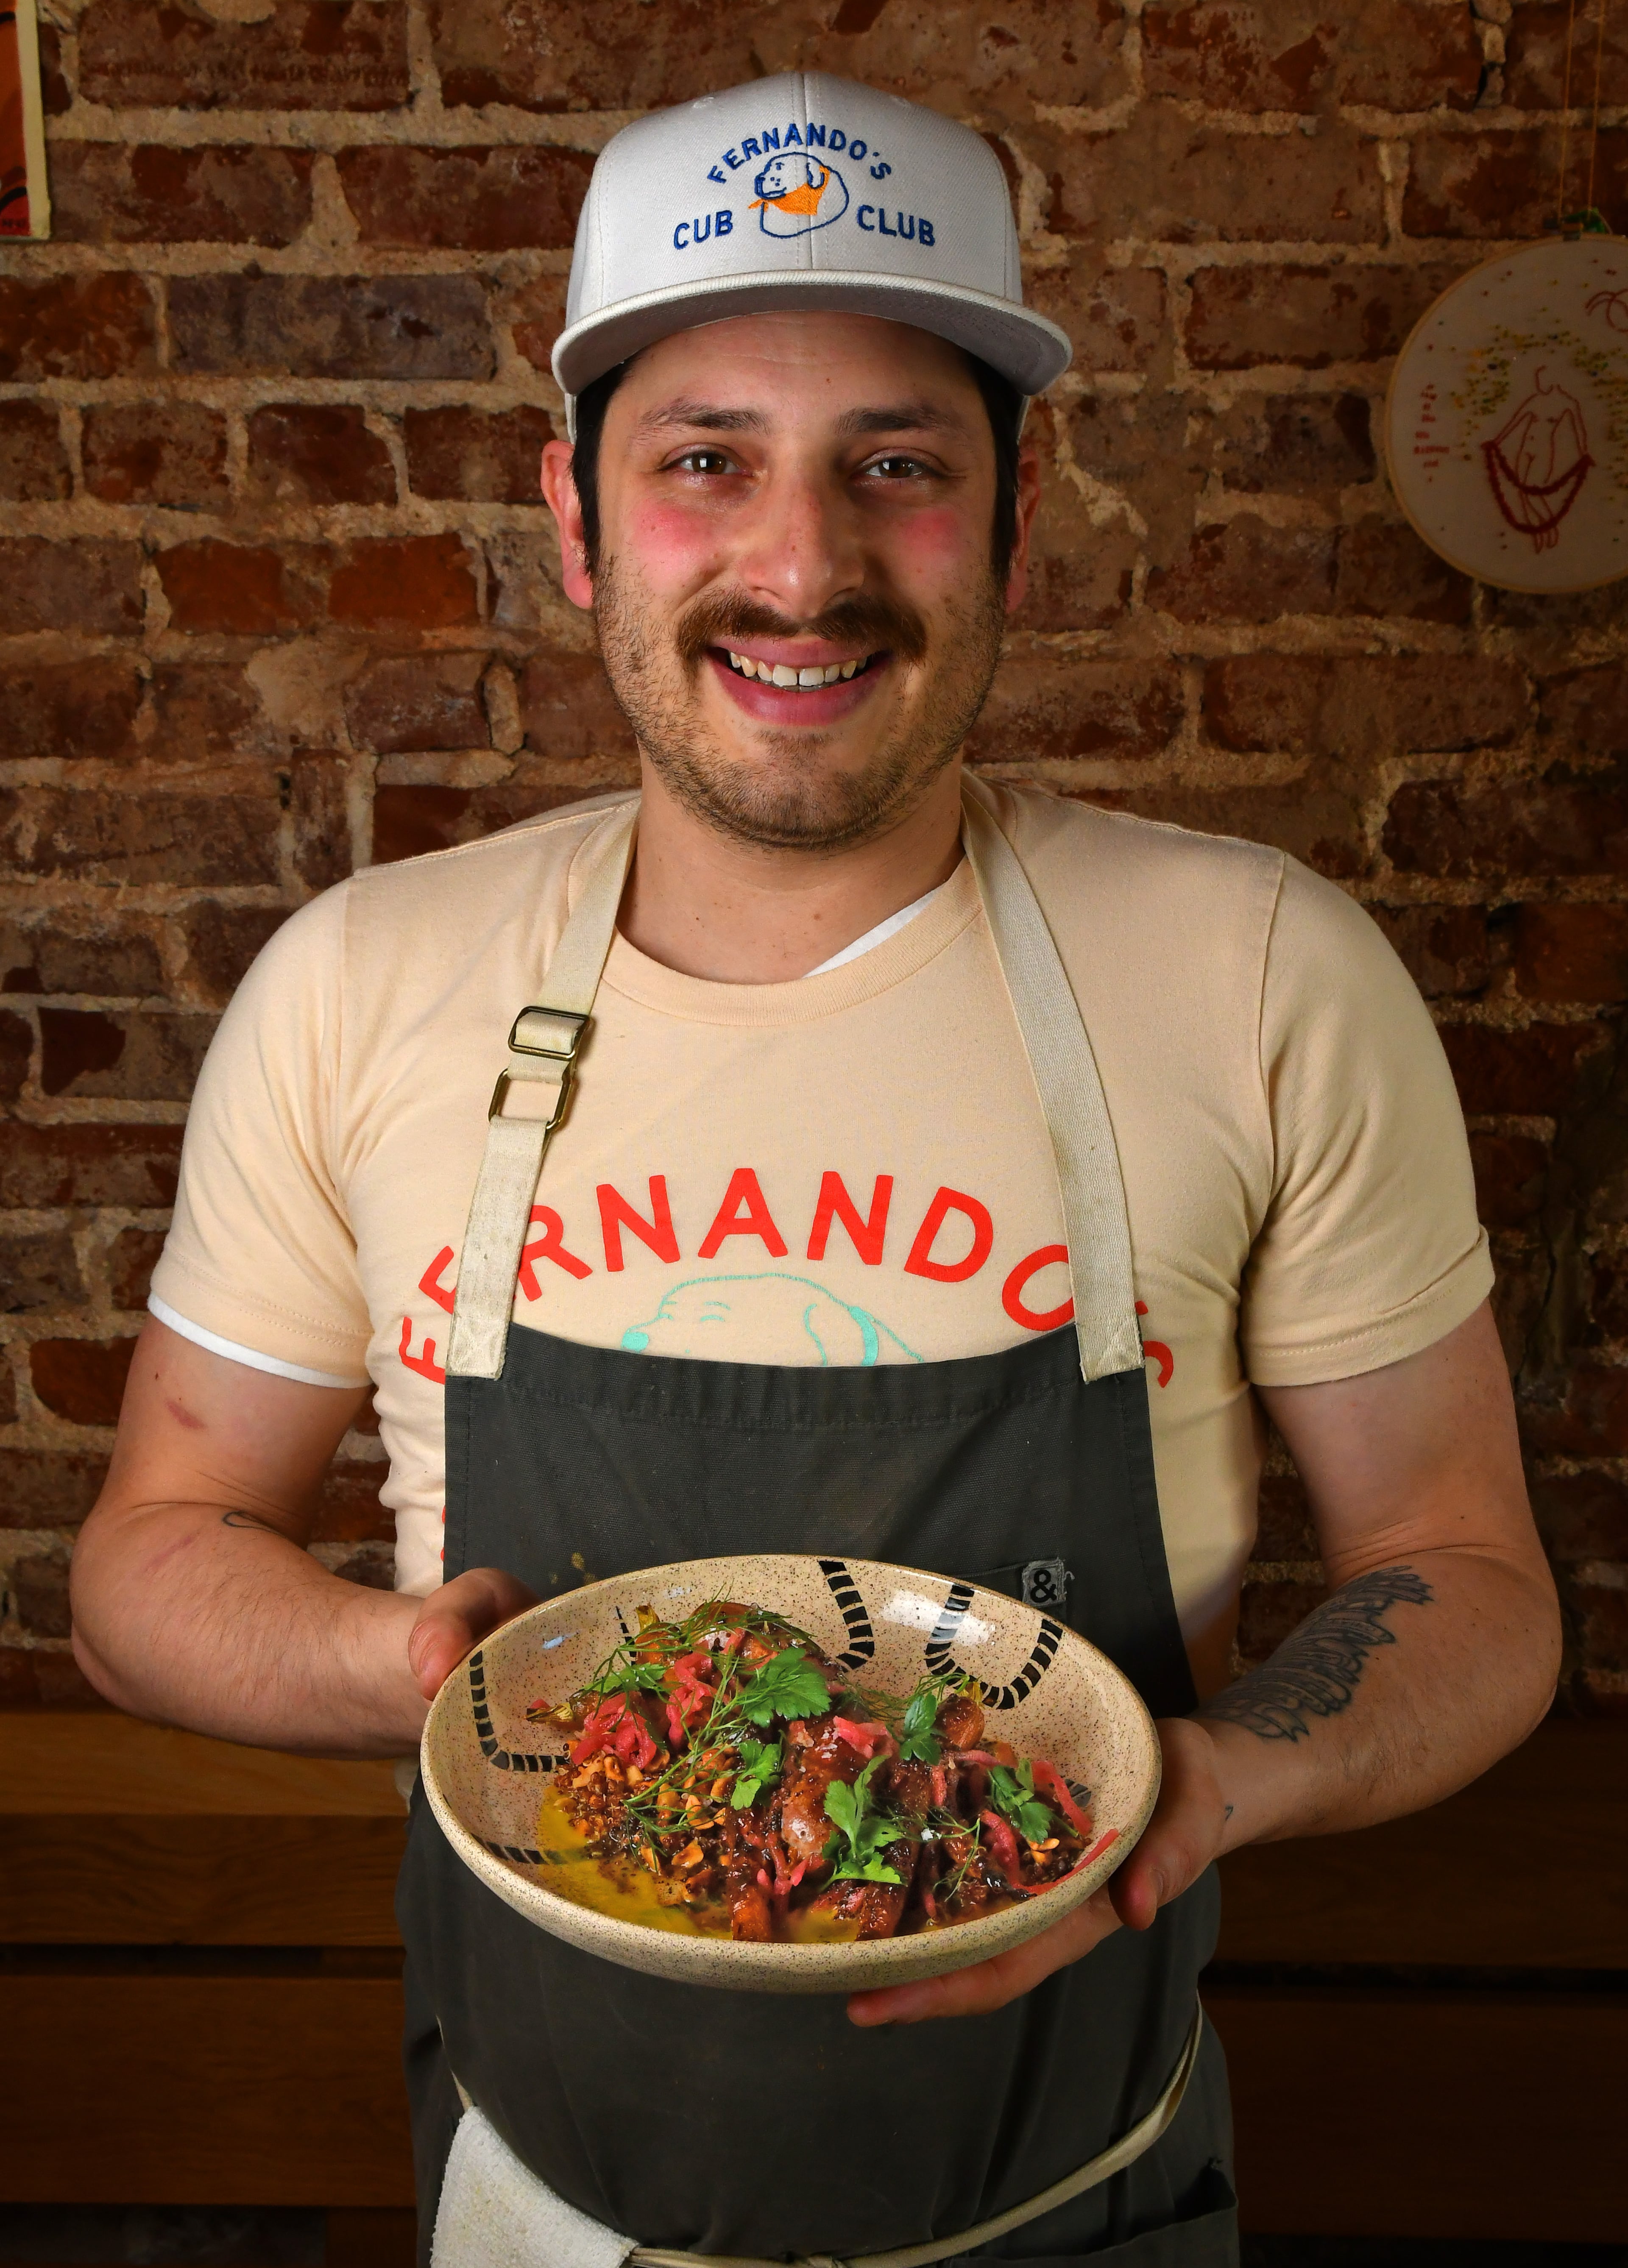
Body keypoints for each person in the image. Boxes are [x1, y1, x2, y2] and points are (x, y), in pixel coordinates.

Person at [70, 69, 1559, 2268]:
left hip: (1088, 2212)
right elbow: (146, 1559)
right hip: (539, 2224)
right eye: (703, 464)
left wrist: (1240, 1773)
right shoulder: (361, 986)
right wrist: (403, 1663)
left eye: (898, 464)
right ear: (578, 523)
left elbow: (1477, 1573)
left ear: (1018, 522)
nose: (803, 563)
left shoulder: (1260, 972)